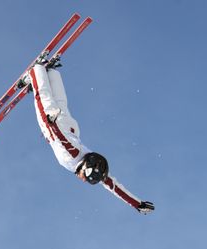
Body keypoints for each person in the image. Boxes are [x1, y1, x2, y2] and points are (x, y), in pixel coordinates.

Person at [19, 60, 154, 214]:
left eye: (88, 180)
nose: (83, 179)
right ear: (86, 166)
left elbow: (113, 186)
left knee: (60, 102)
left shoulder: (88, 163)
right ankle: (36, 71)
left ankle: (51, 74)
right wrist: (51, 122)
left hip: (70, 128)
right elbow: (61, 139)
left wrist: (137, 204)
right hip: (56, 126)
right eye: (86, 176)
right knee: (42, 97)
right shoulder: (73, 156)